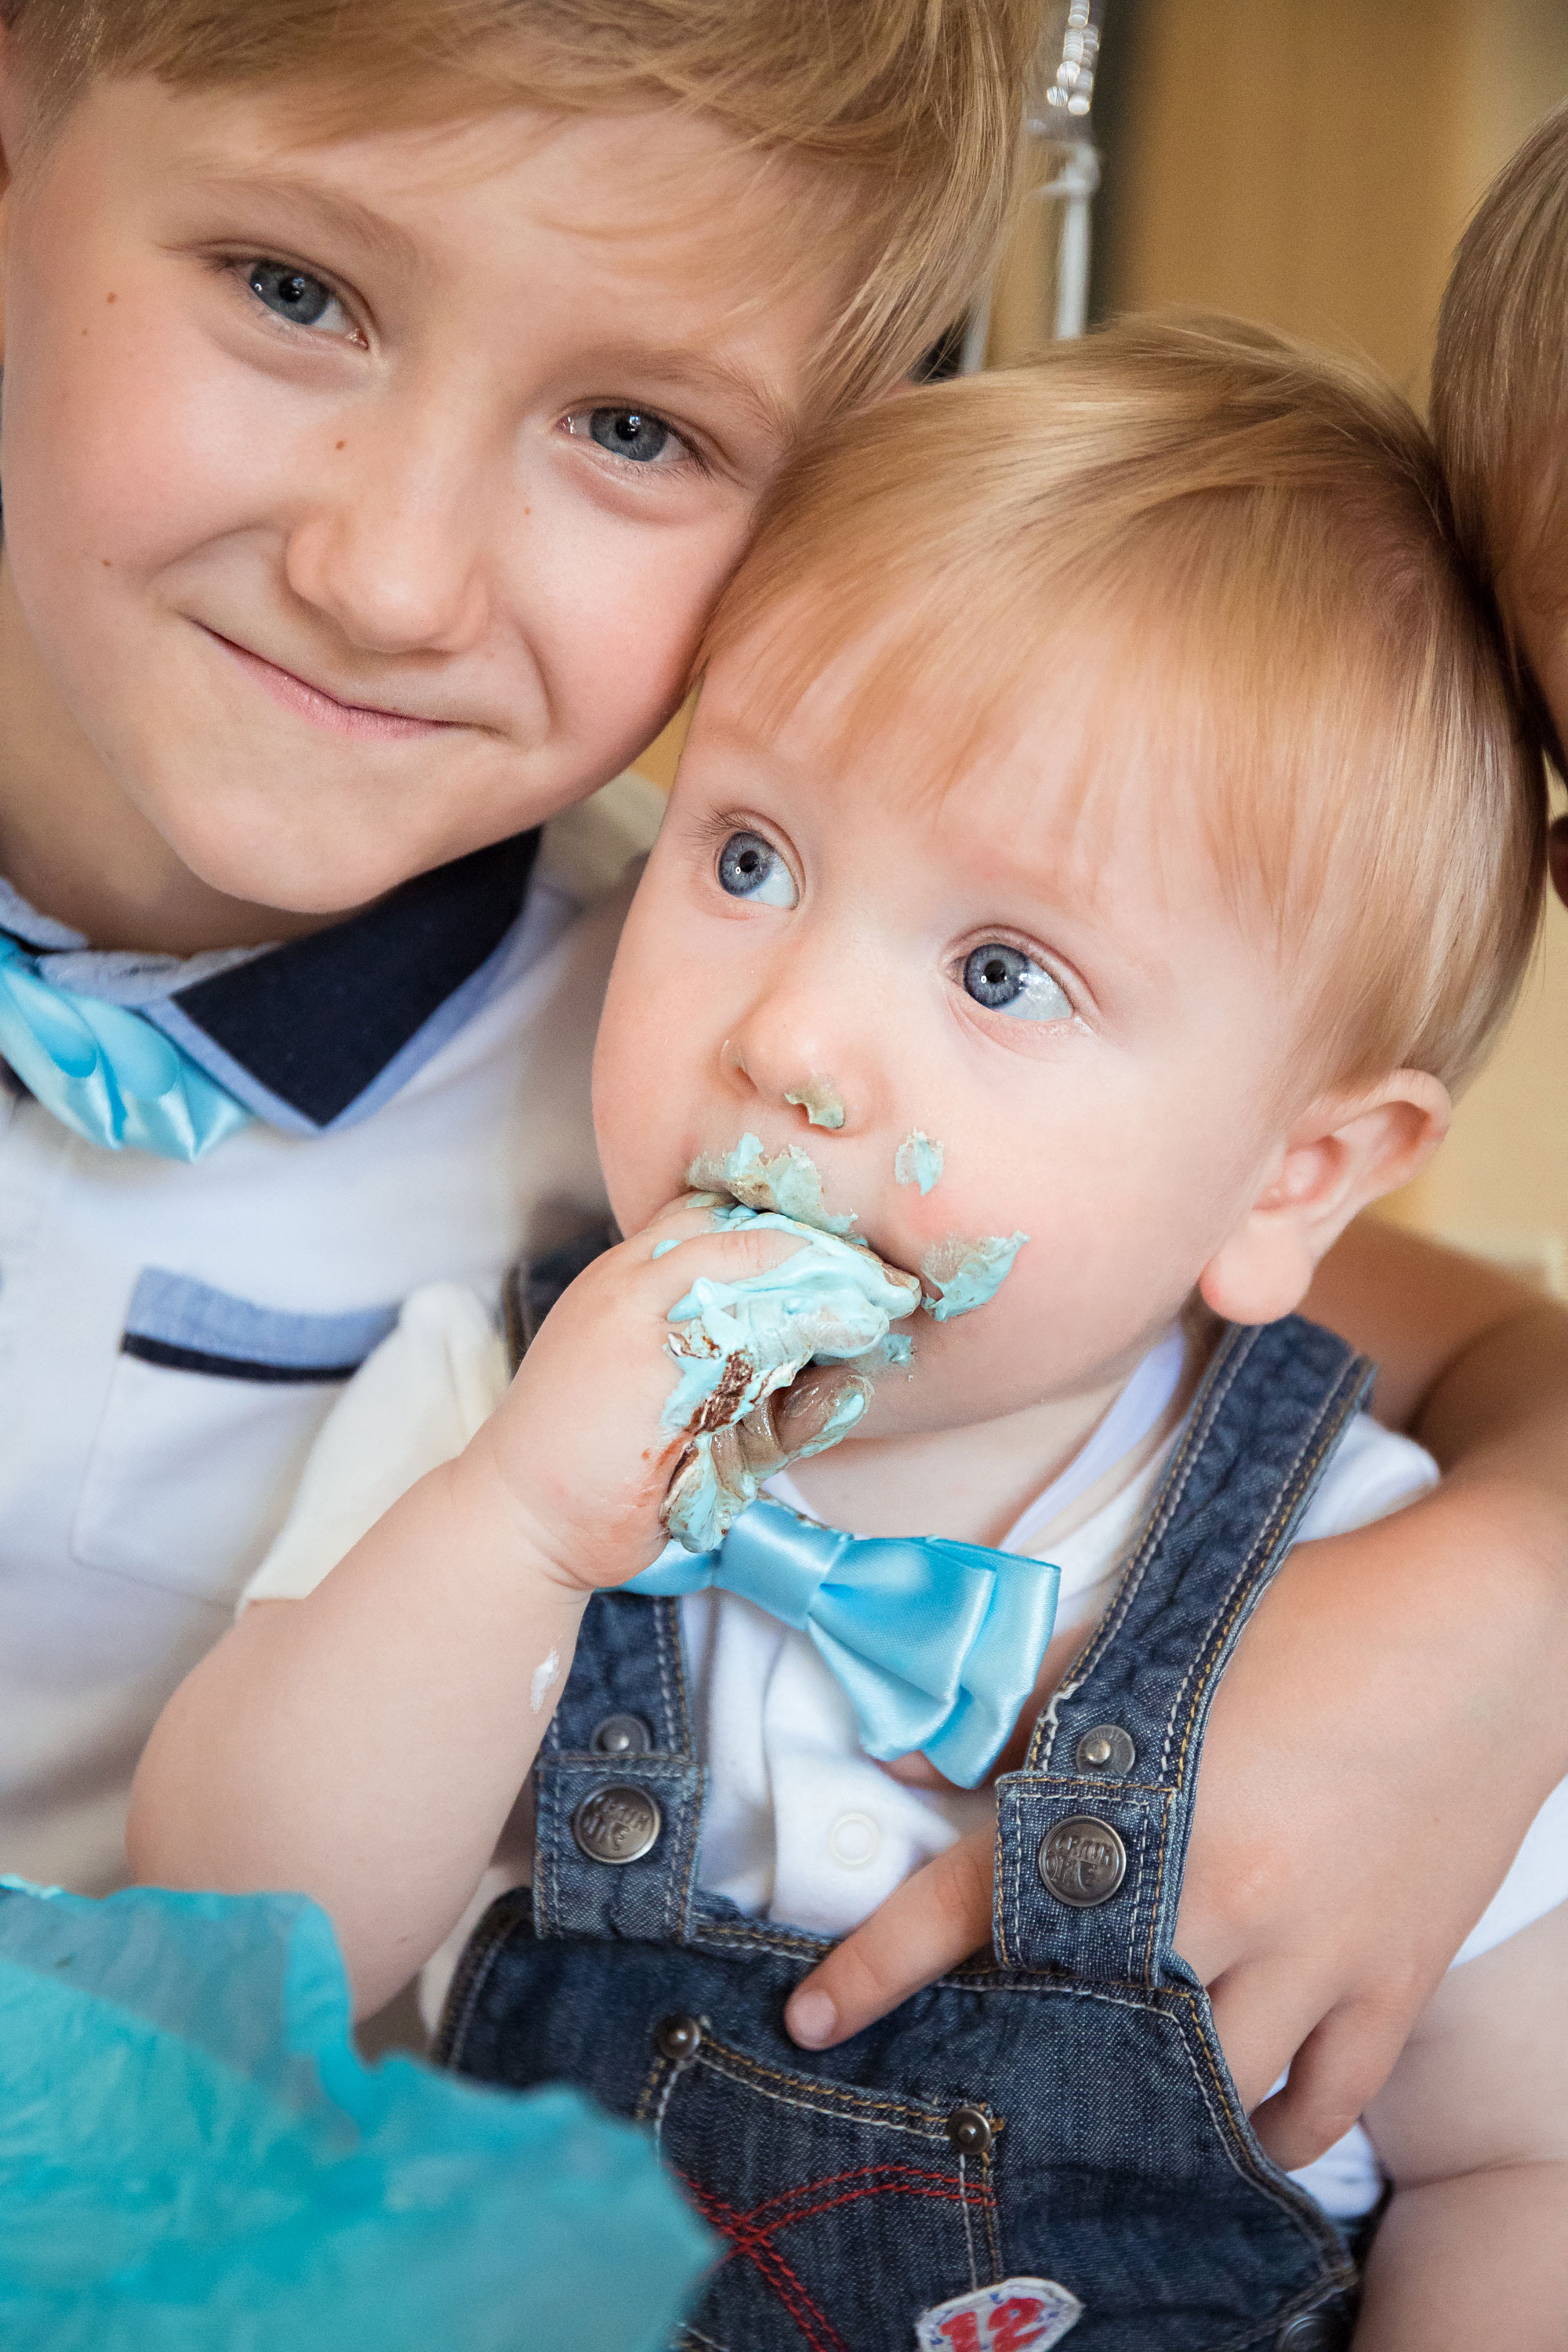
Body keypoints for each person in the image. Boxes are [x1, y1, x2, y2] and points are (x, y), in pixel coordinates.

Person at [0, 0, 1563, 2178]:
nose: (387, 577)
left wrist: (1506, 1606)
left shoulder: (660, 1055)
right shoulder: (591, 1222)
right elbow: (247, 1912)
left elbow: (1481, 1343)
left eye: (635, 423)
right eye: (293, 290)